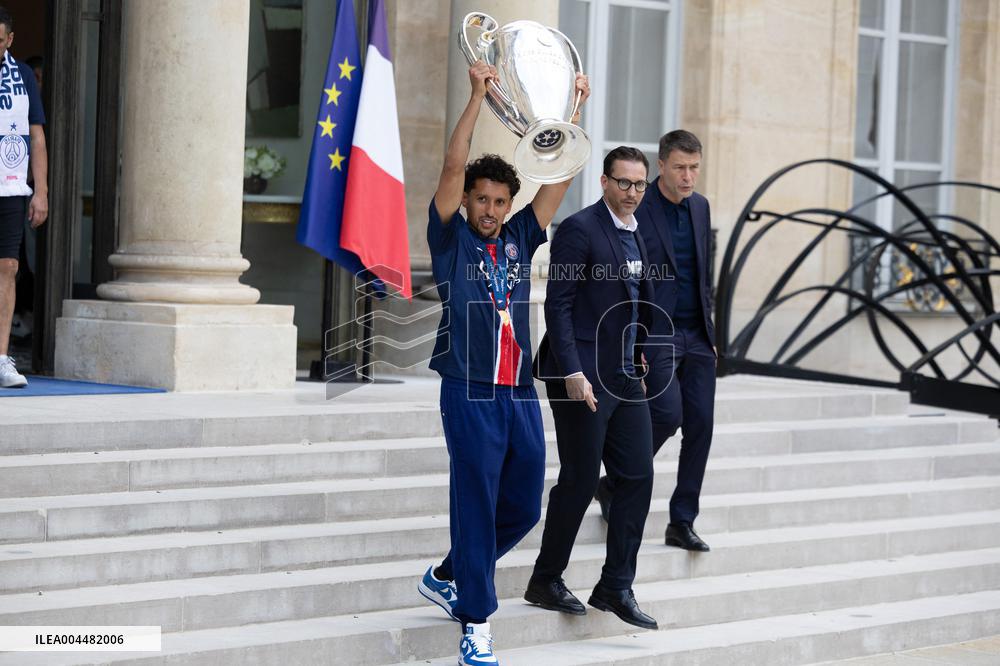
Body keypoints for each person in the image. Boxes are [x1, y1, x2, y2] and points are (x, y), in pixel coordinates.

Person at [417, 60, 589, 666]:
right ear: (466, 202)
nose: (490, 209)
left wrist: (571, 114)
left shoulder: (520, 236)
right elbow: (451, 163)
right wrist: (475, 96)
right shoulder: (451, 239)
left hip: (518, 391)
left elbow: (559, 178)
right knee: (476, 501)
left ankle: (448, 572)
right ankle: (477, 626)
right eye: (481, 200)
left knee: (521, 505)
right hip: (468, 388)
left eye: (499, 201)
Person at [525, 146, 659, 631]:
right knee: (580, 479)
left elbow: (634, 298)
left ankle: (616, 585)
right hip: (578, 373)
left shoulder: (634, 231)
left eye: (640, 184)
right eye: (623, 183)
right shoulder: (580, 228)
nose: (632, 193)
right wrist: (573, 371)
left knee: (638, 476)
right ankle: (546, 578)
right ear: (604, 182)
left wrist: (638, 348)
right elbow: (558, 305)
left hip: (624, 374)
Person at [597, 129, 717, 552]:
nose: (688, 177)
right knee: (667, 414)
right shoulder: (639, 207)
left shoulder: (700, 208)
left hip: (698, 334)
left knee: (702, 425)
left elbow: (704, 271)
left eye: (695, 168)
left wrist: (712, 330)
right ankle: (617, 481)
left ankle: (682, 521)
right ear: (662, 165)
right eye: (681, 168)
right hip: (658, 331)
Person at [0, 7, 48, 389]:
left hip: (11, 184)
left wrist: (41, 191)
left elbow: (36, 136)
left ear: (10, 40)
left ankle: (1, 358)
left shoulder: (24, 77)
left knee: (9, 267)